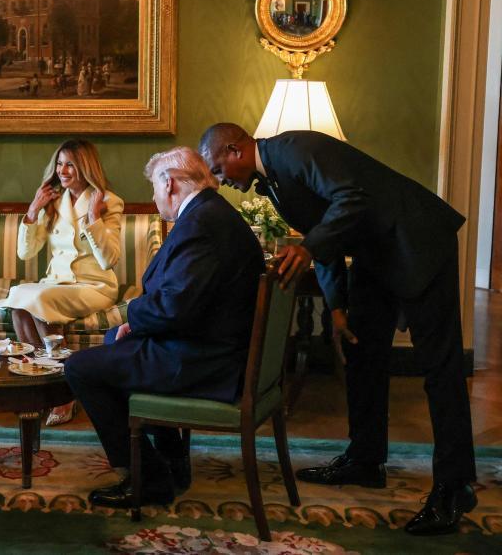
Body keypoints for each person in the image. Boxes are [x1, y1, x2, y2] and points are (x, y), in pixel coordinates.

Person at [199, 123, 476, 536]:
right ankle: (365, 460)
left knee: (441, 368)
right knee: (361, 353)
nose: (222, 183)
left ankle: (454, 488)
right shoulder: (271, 178)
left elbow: (351, 199)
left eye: (219, 171)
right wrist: (337, 308)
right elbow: (323, 233)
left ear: (235, 150)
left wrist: (309, 248)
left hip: (417, 243)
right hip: (375, 256)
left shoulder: (295, 149)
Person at [65, 147, 264, 509]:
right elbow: (185, 300)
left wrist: (134, 317)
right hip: (214, 346)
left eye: (155, 190)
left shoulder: (201, 224)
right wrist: (133, 326)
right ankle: (171, 459)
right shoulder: (214, 213)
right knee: (113, 343)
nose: (155, 199)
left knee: (80, 368)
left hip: (204, 360)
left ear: (169, 183)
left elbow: (175, 307)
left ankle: (150, 479)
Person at [0, 139, 124, 426]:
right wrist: (33, 211)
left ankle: (64, 394)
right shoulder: (53, 202)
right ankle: (41, 388)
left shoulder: (109, 202)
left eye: (70, 164)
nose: (63, 170)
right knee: (19, 302)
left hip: (94, 285)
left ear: (85, 167)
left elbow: (109, 260)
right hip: (56, 283)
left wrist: (93, 219)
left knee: (39, 300)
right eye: (60, 164)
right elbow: (25, 253)